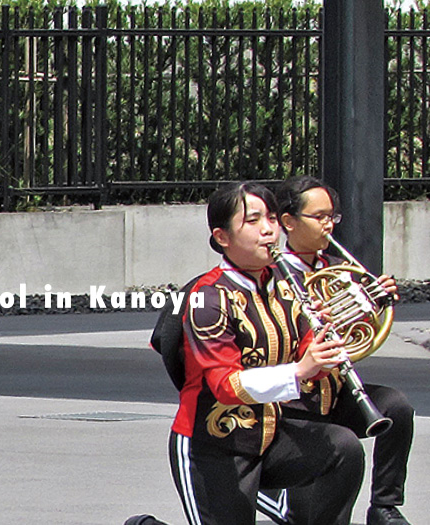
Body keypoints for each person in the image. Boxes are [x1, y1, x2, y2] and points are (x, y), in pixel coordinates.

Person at [166, 181, 364, 525]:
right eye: (253, 221)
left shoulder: (288, 283)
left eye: (271, 218)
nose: (269, 230)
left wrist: (322, 344)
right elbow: (226, 385)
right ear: (222, 237)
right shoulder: (207, 298)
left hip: (269, 434)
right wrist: (301, 369)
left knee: (342, 448)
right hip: (212, 446)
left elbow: (304, 352)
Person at [260, 176, 413, 525]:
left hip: (333, 389)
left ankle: (385, 506)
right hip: (294, 403)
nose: (329, 224)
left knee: (397, 407)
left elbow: (356, 336)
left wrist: (374, 301)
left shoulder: (333, 270)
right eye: (320, 216)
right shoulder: (270, 274)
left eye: (333, 216)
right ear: (289, 222)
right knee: (310, 508)